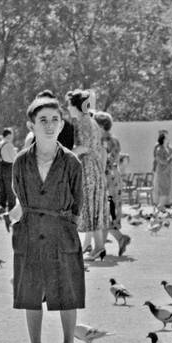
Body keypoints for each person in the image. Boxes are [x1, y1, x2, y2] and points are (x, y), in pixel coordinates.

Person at [9, 94, 85, 343]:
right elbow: (18, 194)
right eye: (43, 120)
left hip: (61, 231)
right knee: (30, 292)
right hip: (29, 230)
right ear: (31, 125)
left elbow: (78, 202)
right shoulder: (20, 162)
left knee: (67, 291)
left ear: (62, 124)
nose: (50, 125)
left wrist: (68, 227)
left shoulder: (72, 163)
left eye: (55, 119)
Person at [65, 89, 108, 260]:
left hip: (88, 168)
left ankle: (98, 247)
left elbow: (84, 147)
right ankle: (98, 247)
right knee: (93, 207)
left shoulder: (82, 122)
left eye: (69, 104)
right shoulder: (90, 121)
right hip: (94, 167)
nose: (67, 107)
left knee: (90, 206)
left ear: (75, 105)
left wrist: (65, 155)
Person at [95, 110, 129, 258]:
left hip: (106, 177)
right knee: (107, 212)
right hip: (115, 176)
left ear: (101, 125)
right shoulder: (115, 140)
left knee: (104, 212)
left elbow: (102, 161)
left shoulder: (102, 141)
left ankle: (101, 247)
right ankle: (119, 239)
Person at [151, 131, 172, 209]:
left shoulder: (168, 148)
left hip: (168, 171)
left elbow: (171, 158)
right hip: (162, 171)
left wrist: (171, 159)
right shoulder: (159, 149)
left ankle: (164, 204)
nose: (168, 139)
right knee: (162, 188)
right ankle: (160, 205)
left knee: (167, 188)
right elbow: (159, 159)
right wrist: (168, 160)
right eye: (166, 138)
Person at [0, 128, 17, 214]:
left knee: (3, 189)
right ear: (9, 135)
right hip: (9, 167)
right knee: (10, 189)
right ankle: (11, 208)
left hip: (1, 167)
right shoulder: (9, 145)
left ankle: (1, 207)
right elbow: (14, 158)